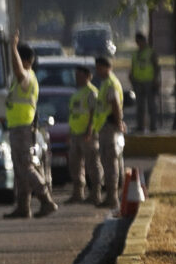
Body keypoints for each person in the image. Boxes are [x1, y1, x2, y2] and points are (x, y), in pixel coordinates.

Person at [3, 42, 55, 219]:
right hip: (17, 127)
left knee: (26, 166)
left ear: (25, 61)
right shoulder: (25, 78)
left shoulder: (27, 77)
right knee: (20, 168)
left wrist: (13, 49)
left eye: (16, 59)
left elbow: (18, 71)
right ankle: (23, 207)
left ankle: (46, 200)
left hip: (23, 128)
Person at [86, 53, 129, 207]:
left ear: (105, 67)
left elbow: (115, 104)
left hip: (109, 127)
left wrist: (118, 123)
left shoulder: (110, 83)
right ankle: (111, 196)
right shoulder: (106, 83)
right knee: (108, 161)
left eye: (99, 68)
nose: (97, 72)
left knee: (110, 163)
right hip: (106, 127)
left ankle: (112, 197)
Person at [66, 78, 98, 204]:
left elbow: (93, 113)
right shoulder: (77, 93)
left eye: (79, 75)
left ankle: (96, 192)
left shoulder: (91, 92)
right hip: (75, 133)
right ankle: (78, 193)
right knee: (75, 164)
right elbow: (73, 114)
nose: (76, 77)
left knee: (92, 163)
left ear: (87, 76)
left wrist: (89, 129)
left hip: (86, 134)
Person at [131, 39, 157, 132]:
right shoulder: (135, 54)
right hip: (138, 82)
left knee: (151, 106)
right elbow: (133, 67)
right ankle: (140, 126)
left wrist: (155, 80)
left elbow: (156, 67)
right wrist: (132, 79)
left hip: (149, 82)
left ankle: (153, 126)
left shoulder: (150, 53)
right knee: (140, 106)